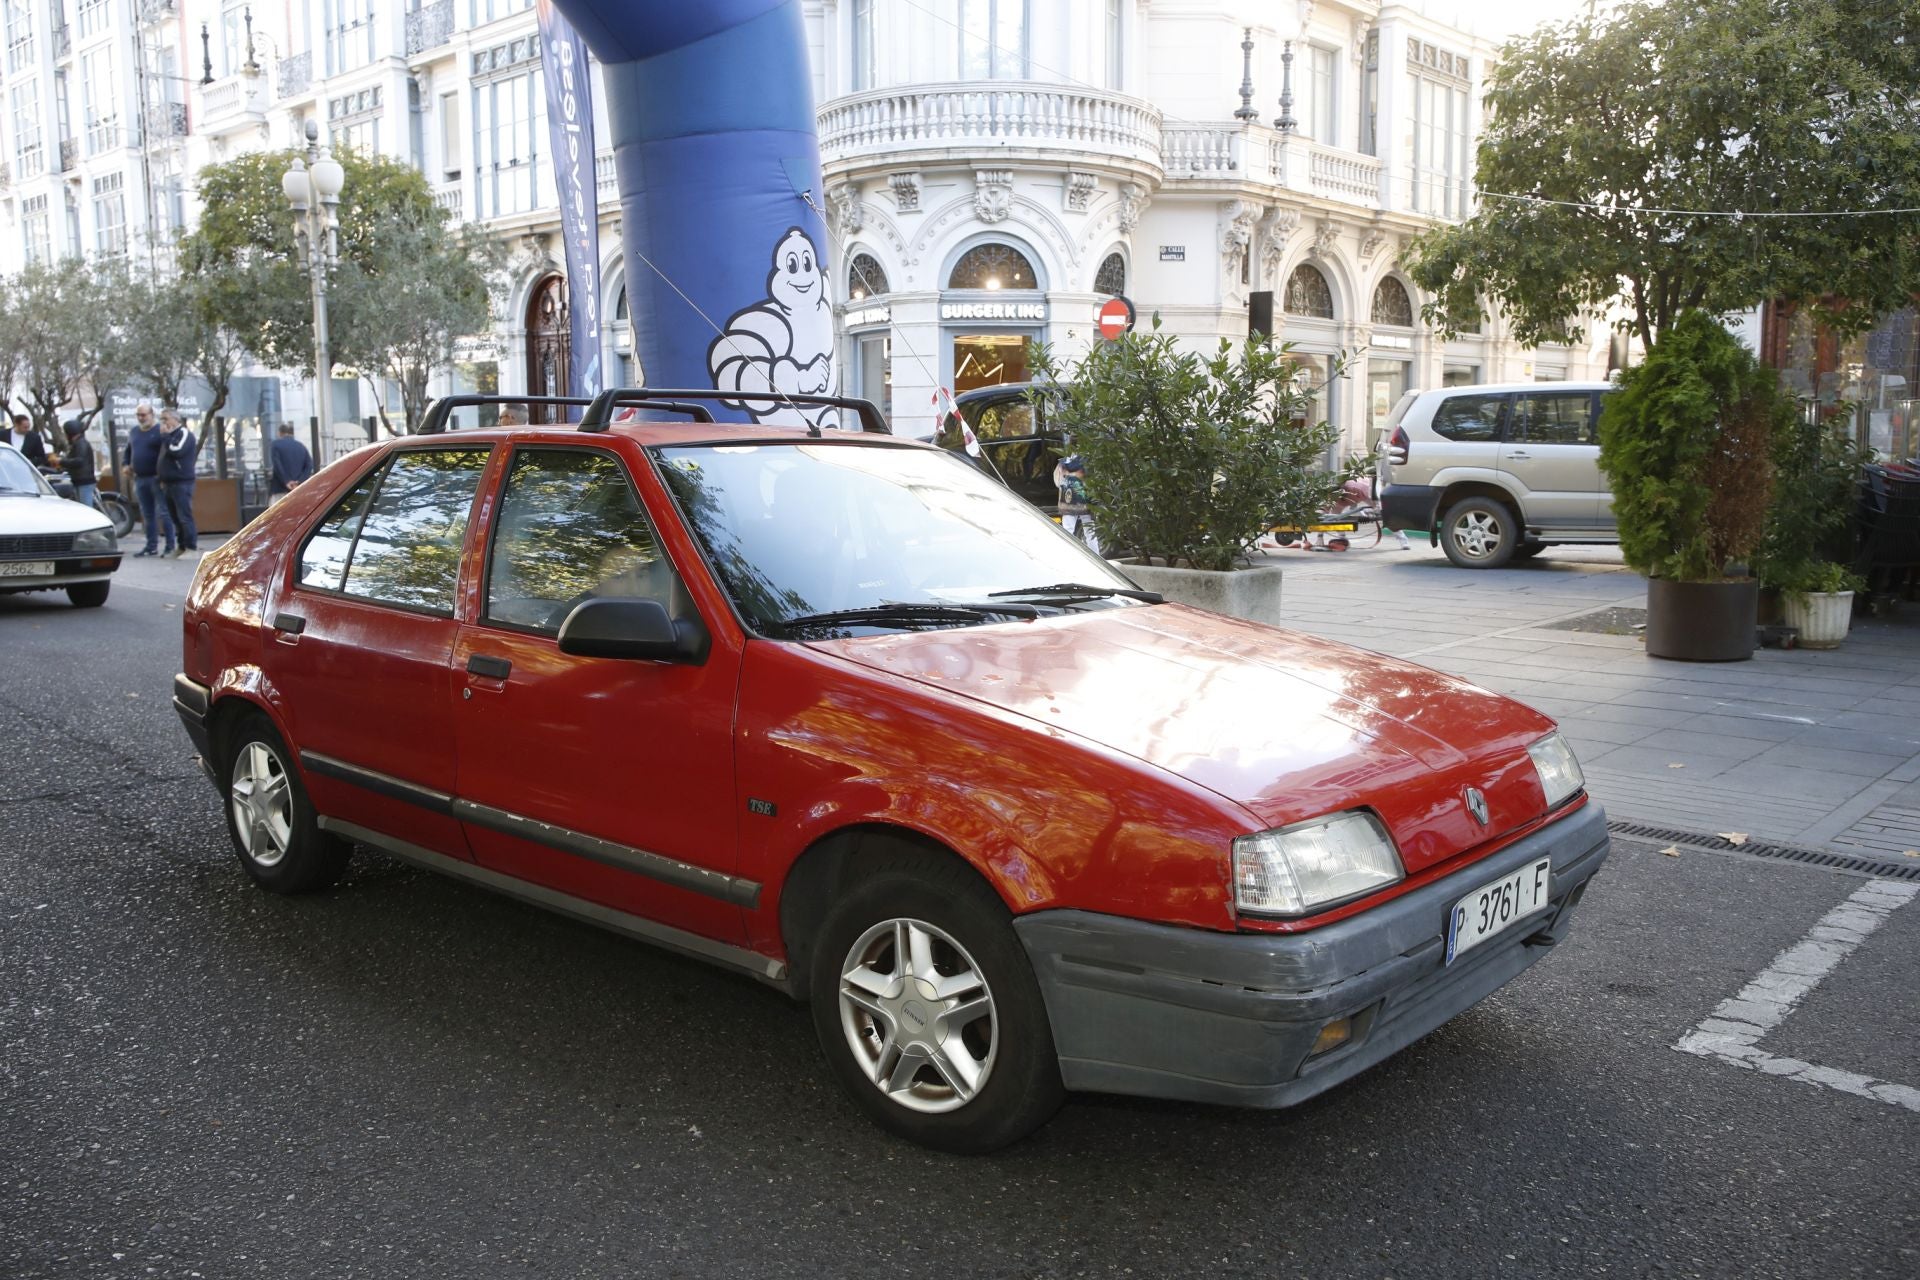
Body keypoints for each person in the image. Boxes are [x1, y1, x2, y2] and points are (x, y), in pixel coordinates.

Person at [123, 401, 175, 557]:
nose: (141, 418)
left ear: (151, 414)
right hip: (139, 478)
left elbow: (168, 453)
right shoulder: (134, 432)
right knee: (147, 514)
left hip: (157, 478)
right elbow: (128, 451)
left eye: (143, 414)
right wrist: (125, 464)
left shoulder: (160, 431)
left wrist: (164, 474)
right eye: (138, 415)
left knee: (163, 513)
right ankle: (151, 546)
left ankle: (170, 546)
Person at [157, 409, 199, 558]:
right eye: (161, 419)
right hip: (169, 482)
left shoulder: (184, 433)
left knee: (184, 516)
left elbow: (177, 450)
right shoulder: (168, 436)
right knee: (175, 516)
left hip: (182, 482)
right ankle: (181, 546)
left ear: (175, 419)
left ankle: (191, 547)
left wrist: (165, 437)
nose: (163, 422)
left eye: (166, 418)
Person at [58, 420, 100, 511]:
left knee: (86, 509)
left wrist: (61, 461)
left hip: (84, 481)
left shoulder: (81, 443)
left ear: (70, 432)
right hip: (80, 480)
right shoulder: (78, 443)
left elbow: (79, 461)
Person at [268, 422, 313, 504]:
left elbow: (277, 465)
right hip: (298, 490)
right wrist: (298, 481)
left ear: (280, 433)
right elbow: (309, 466)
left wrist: (287, 481)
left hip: (280, 489)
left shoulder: (275, 445)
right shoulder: (301, 446)